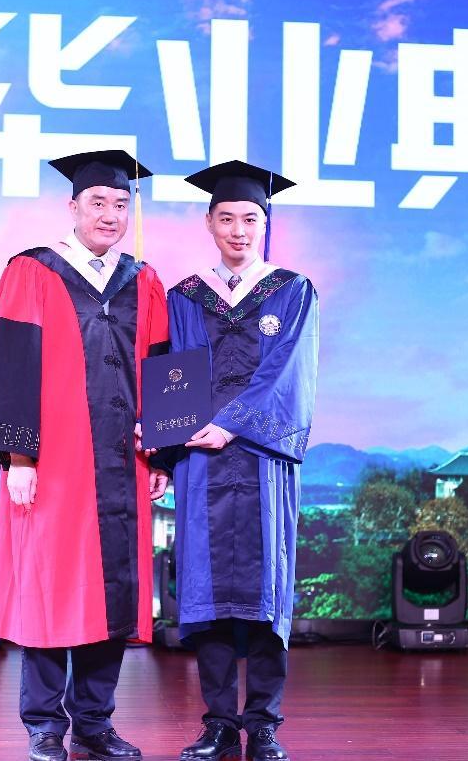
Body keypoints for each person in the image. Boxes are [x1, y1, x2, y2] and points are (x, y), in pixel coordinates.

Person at [0, 149, 171, 761]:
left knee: (114, 592)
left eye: (120, 205)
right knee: (50, 589)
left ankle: (95, 724)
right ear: (72, 206)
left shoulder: (144, 280)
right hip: (52, 461)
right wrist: (18, 459)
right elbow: (9, 363)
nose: (110, 215)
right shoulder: (32, 270)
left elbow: (162, 368)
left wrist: (161, 453)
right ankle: (44, 725)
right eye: (98, 203)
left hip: (123, 462)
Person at [164, 161, 319, 761]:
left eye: (250, 218)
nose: (238, 230)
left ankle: (265, 723)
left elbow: (287, 374)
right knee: (207, 596)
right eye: (226, 218)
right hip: (199, 458)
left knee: (264, 589)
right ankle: (219, 724)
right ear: (208, 223)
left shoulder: (292, 290)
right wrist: (171, 442)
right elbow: (175, 372)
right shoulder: (186, 295)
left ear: (266, 222)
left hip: (260, 457)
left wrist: (228, 424)